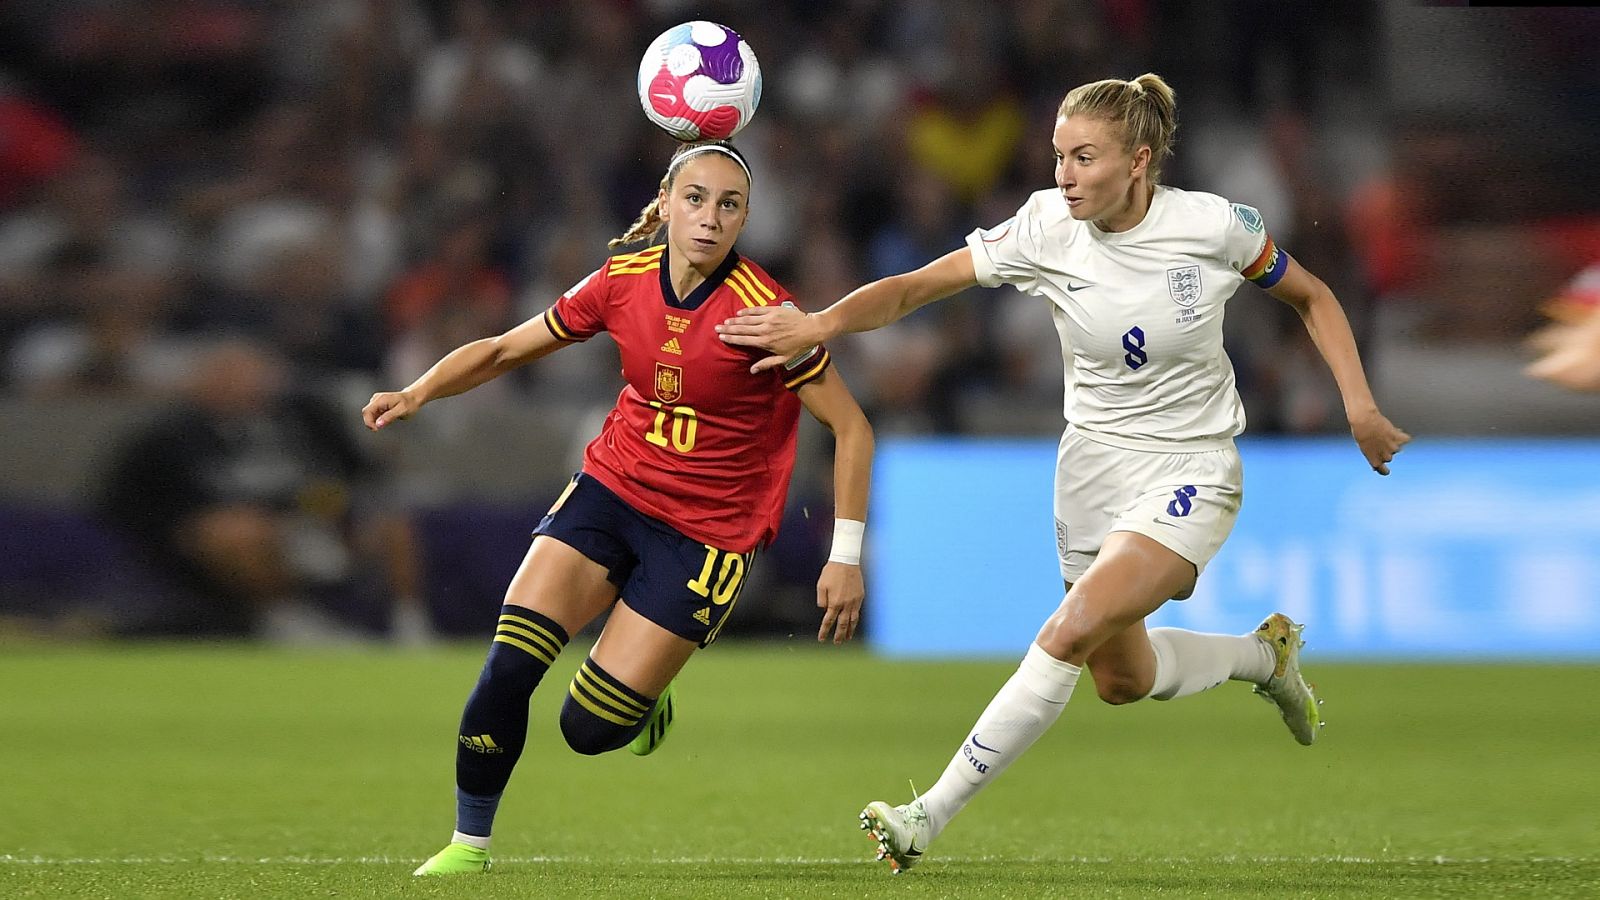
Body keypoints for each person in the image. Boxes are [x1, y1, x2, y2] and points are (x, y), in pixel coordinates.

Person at [716, 74, 1411, 873]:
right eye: (1058, 156)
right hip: (1090, 469)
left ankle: (923, 817)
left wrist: (1357, 403)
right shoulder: (1045, 227)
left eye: (1084, 158)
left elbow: (1314, 297)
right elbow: (915, 288)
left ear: (1139, 161)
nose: (1063, 175)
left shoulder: (1214, 226)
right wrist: (822, 320)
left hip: (1192, 467)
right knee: (1122, 677)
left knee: (1070, 630)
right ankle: (1267, 658)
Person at [363, 140, 875, 876]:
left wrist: (845, 556)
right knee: (509, 665)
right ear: (665, 203)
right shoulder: (622, 278)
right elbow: (510, 348)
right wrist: (418, 391)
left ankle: (640, 700)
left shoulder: (766, 314)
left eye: (728, 205)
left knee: (587, 728)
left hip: (707, 534)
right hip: (613, 490)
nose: (709, 218)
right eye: (694, 198)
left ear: (745, 219)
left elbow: (853, 426)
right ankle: (467, 847)